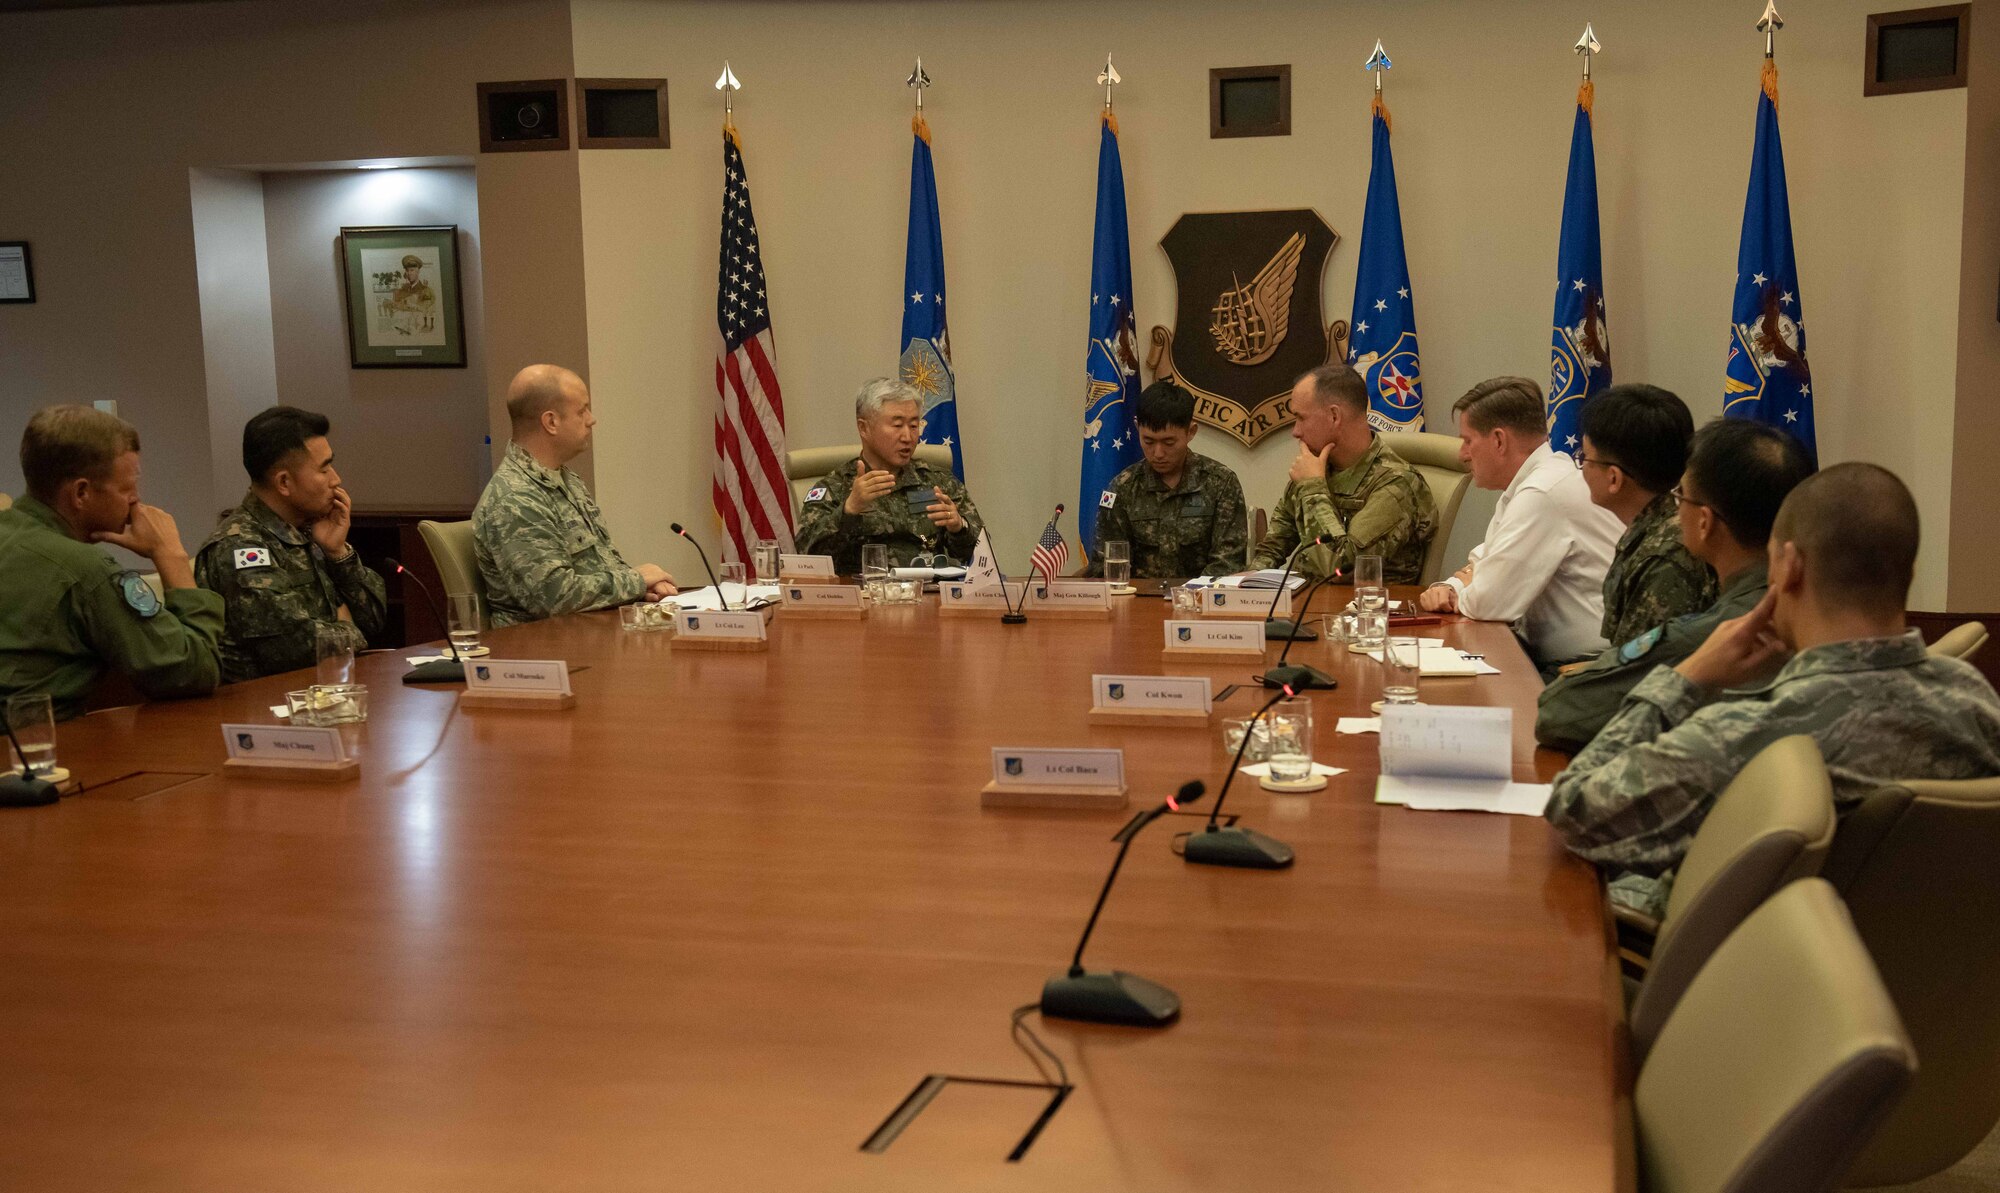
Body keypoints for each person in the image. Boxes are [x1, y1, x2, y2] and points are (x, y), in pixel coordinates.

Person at [1545, 463, 2000, 917]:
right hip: (1925, 977)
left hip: (1722, 976)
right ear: (1910, 570)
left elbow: (1575, 812)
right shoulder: (1975, 701)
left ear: (1788, 566)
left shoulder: (1755, 735)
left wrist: (1686, 677)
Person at [1538, 419, 1814, 752]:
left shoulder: (1721, 634)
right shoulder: (1817, 615)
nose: (1674, 509)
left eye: (1680, 496)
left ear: (1704, 521)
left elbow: (1558, 712)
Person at [0, 406, 222, 720]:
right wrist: (171, 555)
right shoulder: (84, 569)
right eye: (127, 489)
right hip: (43, 755)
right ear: (81, 493)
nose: (137, 501)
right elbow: (193, 670)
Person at [1419, 377, 1621, 668]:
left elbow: (1489, 601)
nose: (1461, 454)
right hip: (1554, 659)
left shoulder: (1542, 492)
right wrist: (1452, 586)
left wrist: (1462, 591)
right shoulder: (1531, 484)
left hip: (1589, 668)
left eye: (1468, 441)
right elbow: (1482, 561)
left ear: (1499, 440)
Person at [194, 406, 388, 684]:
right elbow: (293, 647)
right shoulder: (241, 547)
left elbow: (375, 619)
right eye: (324, 469)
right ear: (284, 482)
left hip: (323, 696)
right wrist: (347, 627)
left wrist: (337, 553)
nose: (336, 479)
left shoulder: (308, 529)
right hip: (265, 711)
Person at [474, 364, 677, 627]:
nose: (591, 419)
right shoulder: (515, 498)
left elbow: (600, 566)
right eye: (582, 411)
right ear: (551, 422)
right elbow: (555, 597)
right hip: (543, 649)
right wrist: (637, 580)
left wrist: (644, 589)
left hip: (592, 630)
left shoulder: (565, 479)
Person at [1249, 363, 1436, 581]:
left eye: (1301, 418)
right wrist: (1245, 584)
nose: (1295, 432)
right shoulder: (1318, 469)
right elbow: (1272, 549)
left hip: (1365, 610)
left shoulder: (1397, 483)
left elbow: (1340, 568)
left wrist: (1312, 489)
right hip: (1307, 605)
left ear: (1334, 416)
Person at [1574, 385, 1716, 649]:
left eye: (1586, 458)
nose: (1582, 468)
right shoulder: (1652, 531)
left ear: (1614, 478)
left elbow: (1639, 669)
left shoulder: (1665, 558)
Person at [795, 377, 984, 572]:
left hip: (926, 595)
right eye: (897, 425)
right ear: (864, 428)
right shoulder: (835, 487)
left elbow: (983, 556)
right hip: (862, 596)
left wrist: (959, 527)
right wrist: (849, 510)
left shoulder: (938, 482)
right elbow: (807, 559)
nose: (907, 437)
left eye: (913, 426)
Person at [1086, 380, 1247, 579]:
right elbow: (1106, 567)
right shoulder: (1122, 488)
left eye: (1169, 442)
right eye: (1149, 441)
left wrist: (1187, 598)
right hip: (1138, 603)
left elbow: (1227, 564)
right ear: (1137, 427)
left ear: (1191, 432)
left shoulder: (1221, 484)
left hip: (1202, 602)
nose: (1158, 453)